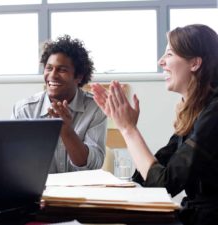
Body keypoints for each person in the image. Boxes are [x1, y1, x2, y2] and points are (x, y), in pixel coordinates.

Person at [91, 24, 218, 225]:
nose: (161, 62)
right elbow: (155, 172)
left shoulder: (214, 114)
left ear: (195, 63)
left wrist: (128, 129)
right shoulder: (196, 110)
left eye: (169, 54)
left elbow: (164, 183)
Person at [12, 35, 107, 173]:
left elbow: (94, 165)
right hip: (40, 191)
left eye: (62, 70)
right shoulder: (25, 110)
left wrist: (66, 131)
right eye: (49, 68)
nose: (53, 75)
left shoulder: (95, 108)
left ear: (79, 76)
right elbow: (13, 162)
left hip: (82, 192)